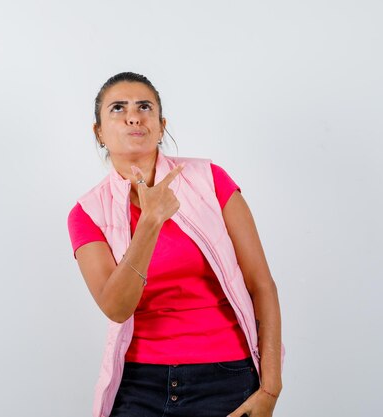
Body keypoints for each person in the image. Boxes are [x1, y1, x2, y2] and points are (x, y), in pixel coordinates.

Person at [67, 72, 283, 417]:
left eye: (144, 107)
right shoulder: (86, 213)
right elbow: (116, 306)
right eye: (118, 109)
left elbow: (261, 284)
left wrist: (270, 388)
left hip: (226, 376)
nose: (133, 116)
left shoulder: (211, 181)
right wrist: (151, 220)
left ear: (161, 125)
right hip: (139, 385)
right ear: (99, 133)